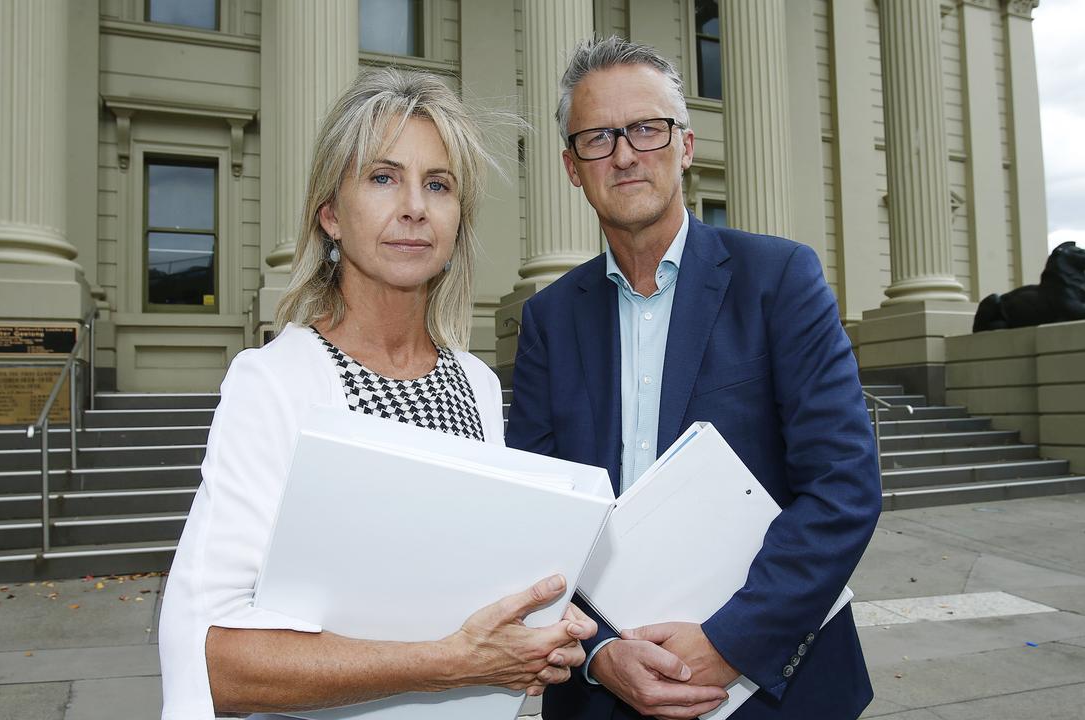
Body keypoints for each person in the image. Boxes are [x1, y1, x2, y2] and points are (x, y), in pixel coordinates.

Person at [159, 68, 596, 719]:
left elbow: (473, 593)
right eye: (383, 177)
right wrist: (450, 663)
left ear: (456, 226)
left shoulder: (475, 387)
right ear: (331, 214)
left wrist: (540, 634)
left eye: (438, 184)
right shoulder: (276, 383)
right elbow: (212, 659)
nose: (415, 206)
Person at [505, 37, 882, 720]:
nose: (624, 154)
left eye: (646, 129)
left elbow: (843, 487)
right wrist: (599, 654)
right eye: (597, 138)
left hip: (773, 692)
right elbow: (540, 523)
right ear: (571, 166)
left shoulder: (780, 281)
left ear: (685, 145)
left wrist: (729, 643)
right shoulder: (548, 322)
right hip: (603, 693)